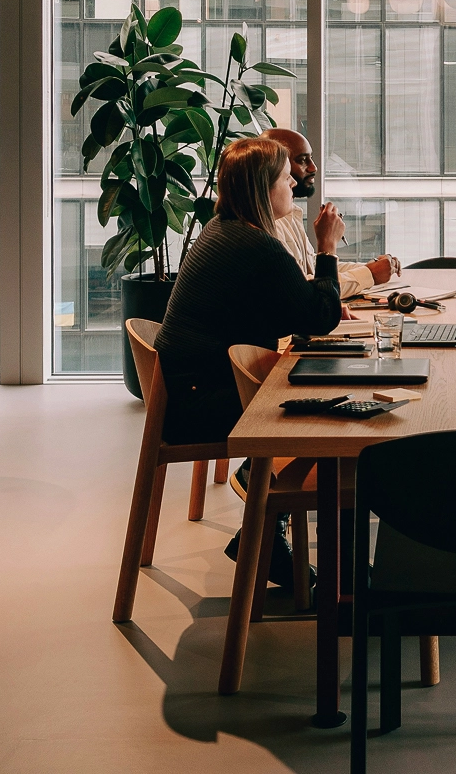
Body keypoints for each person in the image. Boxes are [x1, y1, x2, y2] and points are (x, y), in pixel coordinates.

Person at [155, 135, 344, 584]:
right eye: (285, 178)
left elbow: (288, 307)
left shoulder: (224, 231)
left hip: (192, 391)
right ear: (265, 188)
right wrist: (327, 249)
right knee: (335, 415)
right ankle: (280, 534)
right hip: (203, 405)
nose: (292, 185)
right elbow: (321, 316)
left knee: (321, 397)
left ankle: (262, 530)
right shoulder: (255, 245)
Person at [263, 127, 396, 299]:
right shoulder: (266, 225)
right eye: (302, 160)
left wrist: (373, 268)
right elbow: (307, 289)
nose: (314, 167)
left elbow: (311, 267)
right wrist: (368, 273)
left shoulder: (290, 214)